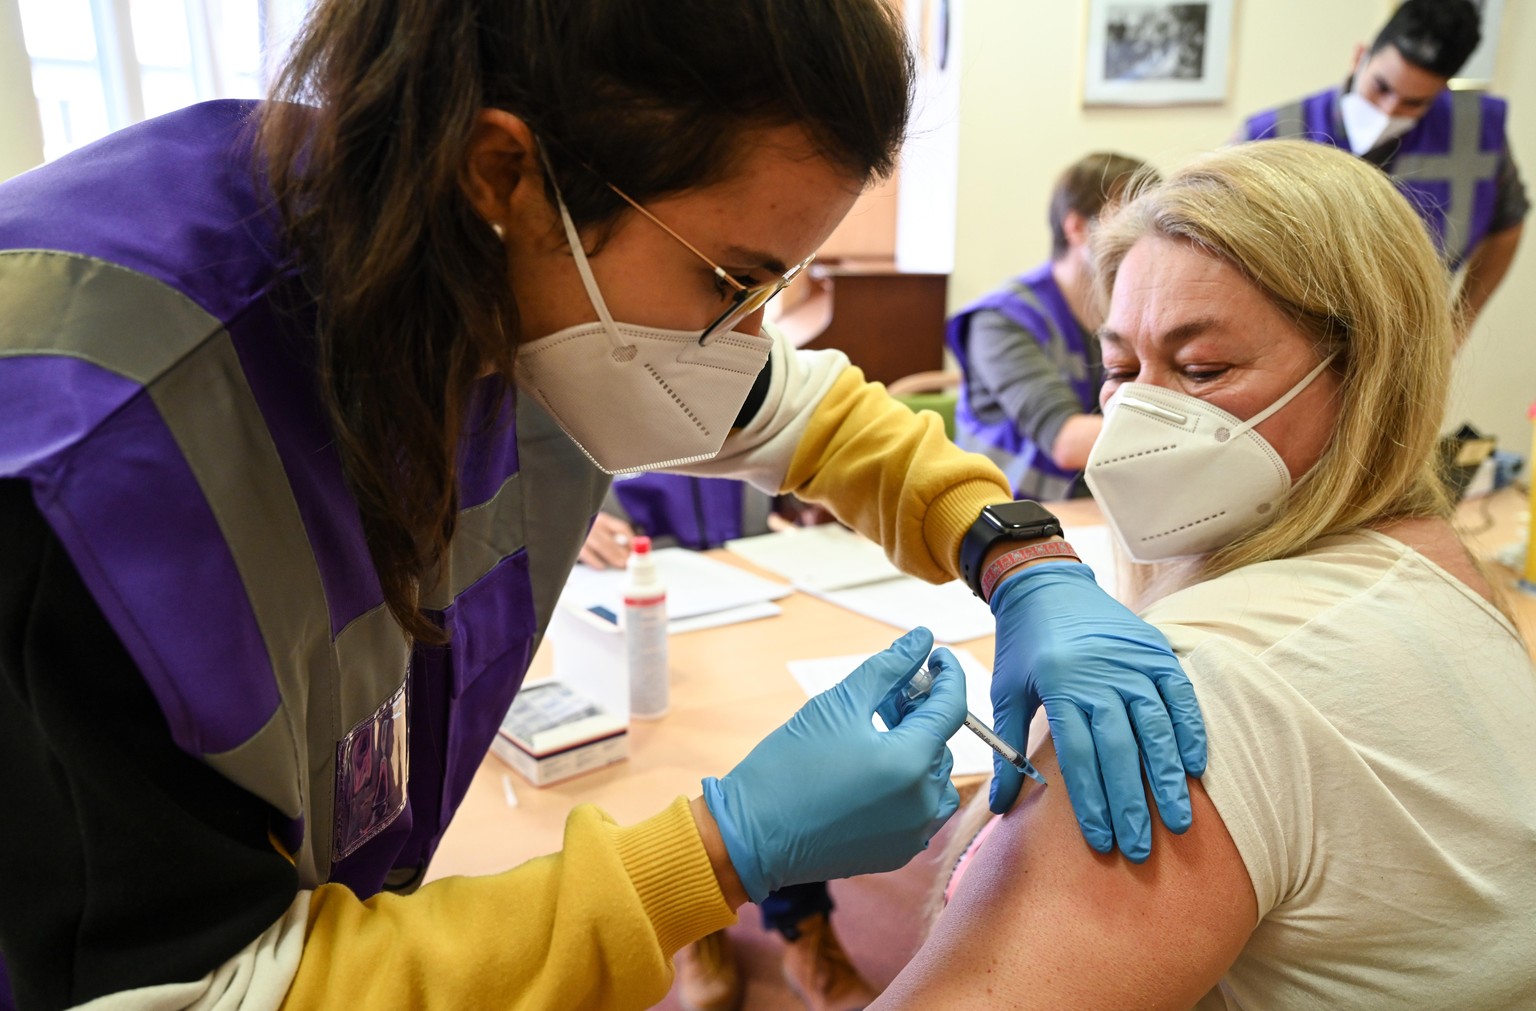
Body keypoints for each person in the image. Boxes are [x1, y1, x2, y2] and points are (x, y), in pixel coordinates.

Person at [0, 2, 1209, 1009]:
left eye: (776, 286)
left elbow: (815, 415)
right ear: (506, 174)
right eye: (734, 281)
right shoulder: (89, 456)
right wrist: (715, 852)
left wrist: (1021, 557)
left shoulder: (484, 273)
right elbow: (208, 986)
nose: (746, 337)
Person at [874, 140, 1536, 1008]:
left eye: (1202, 370)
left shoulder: (1181, 701)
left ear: (1368, 373)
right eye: (1118, 369)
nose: (1139, 413)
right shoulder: (1446, 563)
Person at [582, 473, 877, 1010]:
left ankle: (803, 928)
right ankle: (698, 923)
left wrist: (810, 499)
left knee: (783, 748)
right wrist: (570, 525)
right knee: (672, 753)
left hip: (748, 581)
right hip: (634, 592)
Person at [1238, 0, 1527, 344]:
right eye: (1381, 87)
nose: (1389, 110)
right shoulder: (1270, 135)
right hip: (1289, 341)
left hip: (1409, 345)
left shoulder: (1476, 134)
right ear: (1360, 57)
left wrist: (1459, 323)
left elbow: (1507, 226)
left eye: (1413, 102)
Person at [946, 152, 1154, 500]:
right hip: (999, 520)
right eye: (1129, 220)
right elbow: (1067, 441)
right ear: (1075, 227)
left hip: (1096, 516)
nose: (1147, 238)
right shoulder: (1000, 319)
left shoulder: (1137, 312)